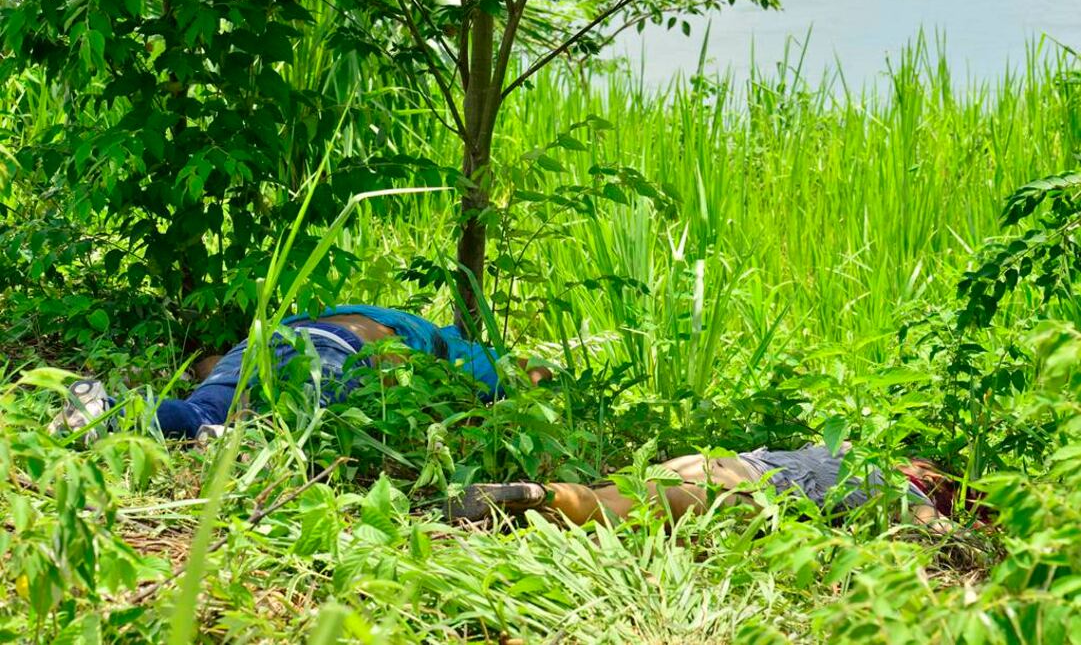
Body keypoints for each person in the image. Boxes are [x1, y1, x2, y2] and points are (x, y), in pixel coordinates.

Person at [49, 304, 552, 442]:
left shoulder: (347, 307)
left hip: (263, 341)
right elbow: (534, 372)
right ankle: (237, 438)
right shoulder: (448, 345)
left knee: (201, 410)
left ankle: (105, 410)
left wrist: (217, 382)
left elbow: (207, 366)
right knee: (302, 429)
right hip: (337, 351)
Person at [447, 443, 958, 529]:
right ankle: (536, 500)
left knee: (613, 500)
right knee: (619, 516)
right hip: (752, 493)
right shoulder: (900, 488)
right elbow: (940, 533)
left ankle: (534, 495)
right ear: (923, 476)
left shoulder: (836, 444)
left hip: (716, 462)